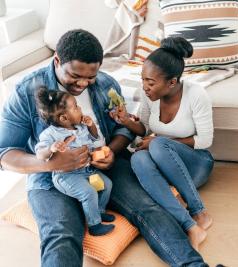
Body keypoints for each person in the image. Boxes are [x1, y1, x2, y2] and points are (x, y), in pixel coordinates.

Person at [0, 29, 208, 266]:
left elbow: (123, 129)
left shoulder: (106, 84)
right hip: (50, 176)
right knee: (61, 233)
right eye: (75, 75)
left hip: (104, 168)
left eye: (90, 77)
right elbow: (5, 152)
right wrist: (50, 163)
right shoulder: (26, 91)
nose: (83, 83)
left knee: (149, 209)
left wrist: (111, 151)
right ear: (57, 60)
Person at [109, 37, 214, 251]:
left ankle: (199, 210)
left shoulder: (196, 95)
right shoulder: (150, 96)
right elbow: (146, 129)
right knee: (139, 157)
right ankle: (190, 225)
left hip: (197, 164)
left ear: (172, 82)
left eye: (150, 82)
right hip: (167, 167)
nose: (145, 87)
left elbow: (205, 140)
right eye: (143, 79)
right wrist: (127, 121)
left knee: (157, 144)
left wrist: (160, 141)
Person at [35, 87, 115, 236]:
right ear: (64, 118)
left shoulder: (81, 127)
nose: (80, 108)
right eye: (76, 107)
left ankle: (98, 212)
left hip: (86, 170)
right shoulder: (50, 134)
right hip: (66, 176)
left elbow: (95, 140)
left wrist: (91, 126)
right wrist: (52, 148)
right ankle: (94, 225)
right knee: (89, 192)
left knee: (107, 185)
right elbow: (40, 154)